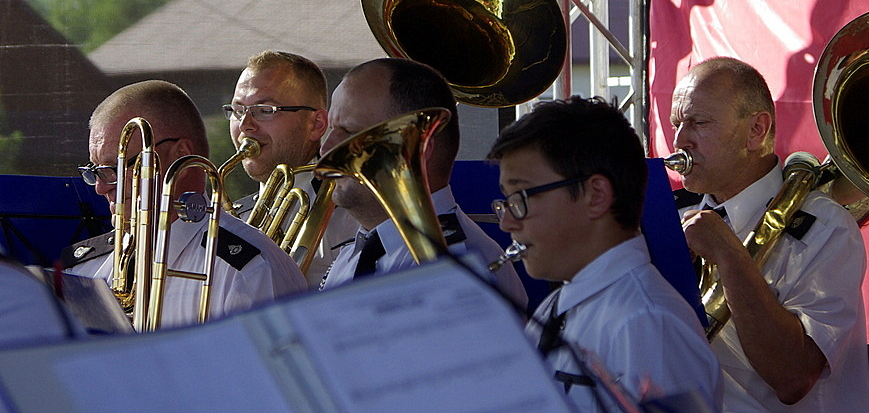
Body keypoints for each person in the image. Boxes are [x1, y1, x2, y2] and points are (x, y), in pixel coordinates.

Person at [487, 96, 723, 412]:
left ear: (596, 195)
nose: (507, 222)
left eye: (520, 198)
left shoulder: (648, 325)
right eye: (506, 202)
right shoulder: (560, 304)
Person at [673, 57, 869, 411]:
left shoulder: (829, 228)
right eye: (677, 124)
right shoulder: (675, 215)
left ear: (756, 130)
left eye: (698, 123)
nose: (679, 140)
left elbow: (793, 376)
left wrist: (729, 255)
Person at [61, 80, 307, 329]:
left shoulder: (248, 271)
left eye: (118, 168)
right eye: (95, 171)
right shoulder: (86, 270)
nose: (101, 188)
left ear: (181, 155)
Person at [318, 58, 527, 308]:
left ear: (418, 149)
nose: (326, 150)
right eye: (331, 130)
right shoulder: (352, 256)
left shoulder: (462, 261)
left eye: (350, 133)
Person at [226, 50, 359, 288]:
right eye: (238, 110)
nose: (245, 125)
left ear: (316, 124)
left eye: (265, 110)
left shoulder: (354, 213)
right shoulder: (234, 219)